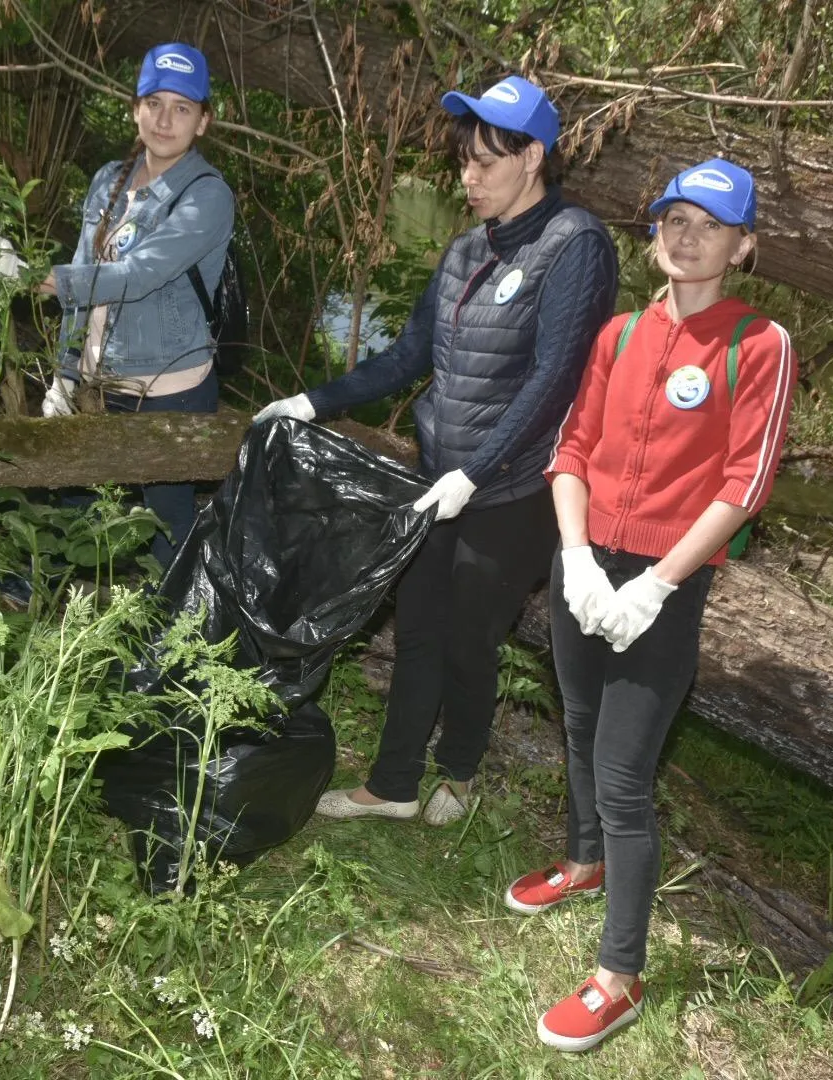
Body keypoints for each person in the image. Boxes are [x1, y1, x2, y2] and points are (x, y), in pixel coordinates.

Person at [254, 76, 618, 826]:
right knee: (416, 624)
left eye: (486, 160)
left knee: (469, 634)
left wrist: (476, 472)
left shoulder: (575, 244)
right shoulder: (463, 253)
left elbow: (555, 381)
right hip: (437, 479)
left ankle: (458, 770)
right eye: (463, 162)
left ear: (534, 156)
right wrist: (312, 400)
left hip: (513, 489)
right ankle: (393, 783)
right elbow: (407, 356)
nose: (469, 177)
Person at [505, 158, 796, 1053]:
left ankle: (617, 976)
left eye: (709, 224)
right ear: (654, 233)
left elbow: (746, 485)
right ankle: (585, 861)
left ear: (743, 246)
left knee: (626, 774)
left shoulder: (760, 342)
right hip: (588, 564)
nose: (686, 234)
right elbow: (572, 450)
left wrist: (659, 583)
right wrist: (577, 556)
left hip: (664, 584)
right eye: (673, 217)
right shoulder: (620, 335)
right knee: (581, 726)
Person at [0, 42, 233, 567]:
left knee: (165, 526)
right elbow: (84, 281)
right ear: (134, 108)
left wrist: (32, 277)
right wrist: (64, 377)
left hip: (168, 390)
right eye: (154, 103)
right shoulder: (107, 181)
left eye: (182, 108)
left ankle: (179, 641)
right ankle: (52, 609)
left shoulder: (207, 195)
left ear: (202, 122)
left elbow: (136, 275)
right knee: (71, 501)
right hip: (99, 381)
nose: (165, 120)